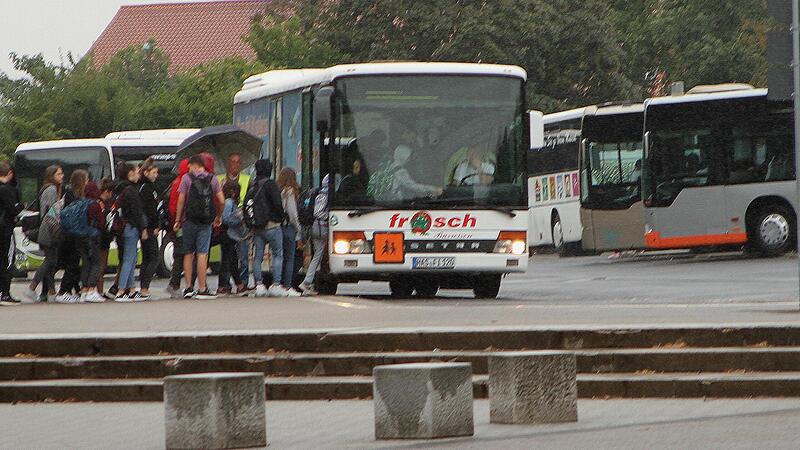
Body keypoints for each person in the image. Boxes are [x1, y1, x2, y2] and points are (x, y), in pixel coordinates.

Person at [173, 154, 224, 300]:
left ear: (194, 164)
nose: (188, 169)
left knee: (188, 253)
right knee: (202, 254)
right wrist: (218, 217)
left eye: (189, 166)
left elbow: (181, 200)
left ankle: (189, 287)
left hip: (188, 221)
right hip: (206, 222)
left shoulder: (186, 179)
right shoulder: (212, 179)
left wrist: (178, 220)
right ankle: (202, 288)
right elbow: (221, 200)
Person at [22, 165, 64, 303]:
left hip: (48, 228)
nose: (62, 176)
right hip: (49, 229)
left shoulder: (51, 189)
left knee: (52, 261)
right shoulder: (51, 190)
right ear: (51, 176)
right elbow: (50, 211)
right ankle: (32, 287)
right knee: (50, 260)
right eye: (59, 174)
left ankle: (51, 292)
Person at [248, 159, 288, 297]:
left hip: (257, 226)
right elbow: (277, 203)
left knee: (258, 256)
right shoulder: (270, 184)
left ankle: (259, 284)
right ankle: (276, 284)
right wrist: (282, 217)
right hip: (272, 225)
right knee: (277, 254)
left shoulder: (252, 184)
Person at [115, 162, 148, 302]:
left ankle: (131, 289)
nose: (139, 174)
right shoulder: (131, 190)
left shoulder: (119, 188)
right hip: (131, 226)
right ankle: (121, 290)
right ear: (130, 173)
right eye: (137, 171)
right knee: (129, 259)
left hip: (123, 227)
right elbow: (137, 212)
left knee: (131, 258)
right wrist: (143, 229)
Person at [218, 152, 252, 289]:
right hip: (229, 225)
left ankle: (242, 282)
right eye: (232, 161)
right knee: (228, 256)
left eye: (238, 162)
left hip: (241, 224)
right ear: (227, 163)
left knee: (242, 256)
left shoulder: (247, 179)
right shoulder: (219, 179)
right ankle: (228, 283)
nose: (235, 165)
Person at [55, 169, 88, 303]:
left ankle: (71, 289)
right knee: (72, 262)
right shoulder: (71, 195)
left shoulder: (72, 194)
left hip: (74, 233)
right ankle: (63, 291)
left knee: (74, 262)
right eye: (86, 179)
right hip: (71, 234)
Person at [298, 174, 330, 296]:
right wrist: (329, 216)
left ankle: (309, 282)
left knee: (318, 255)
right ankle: (307, 282)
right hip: (321, 227)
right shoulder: (324, 195)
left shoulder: (319, 192)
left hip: (316, 226)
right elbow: (318, 212)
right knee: (318, 254)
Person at [218, 180, 249, 296]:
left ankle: (236, 284)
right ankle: (225, 285)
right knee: (228, 261)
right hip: (228, 234)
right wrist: (239, 220)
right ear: (233, 192)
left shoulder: (226, 202)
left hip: (227, 235)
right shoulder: (229, 202)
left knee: (231, 260)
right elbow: (225, 219)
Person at [78, 181, 106, 303]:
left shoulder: (80, 203)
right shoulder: (95, 205)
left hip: (80, 236)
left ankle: (84, 290)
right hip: (93, 237)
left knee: (86, 264)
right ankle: (91, 289)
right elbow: (101, 223)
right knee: (96, 263)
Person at [0, 162, 23, 305]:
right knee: (7, 260)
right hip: (5, 229)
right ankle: (5, 292)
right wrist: (21, 205)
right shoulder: (7, 189)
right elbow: (12, 210)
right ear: (9, 173)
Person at [277, 167, 303, 296]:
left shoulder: (278, 190)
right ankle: (288, 285)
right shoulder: (290, 191)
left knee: (279, 256)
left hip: (277, 227)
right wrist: (299, 230)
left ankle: (278, 283)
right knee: (289, 258)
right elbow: (292, 214)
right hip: (288, 228)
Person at [137, 158, 160, 300]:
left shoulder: (150, 187)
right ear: (146, 172)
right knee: (153, 257)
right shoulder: (146, 188)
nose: (156, 175)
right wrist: (153, 226)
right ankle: (144, 287)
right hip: (149, 227)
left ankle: (144, 286)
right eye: (154, 172)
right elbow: (149, 210)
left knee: (147, 257)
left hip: (148, 226)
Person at [94, 178, 114, 295]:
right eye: (110, 192)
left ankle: (98, 291)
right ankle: (99, 291)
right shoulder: (101, 204)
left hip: (101, 238)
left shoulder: (99, 202)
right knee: (101, 267)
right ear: (106, 191)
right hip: (102, 238)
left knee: (101, 267)